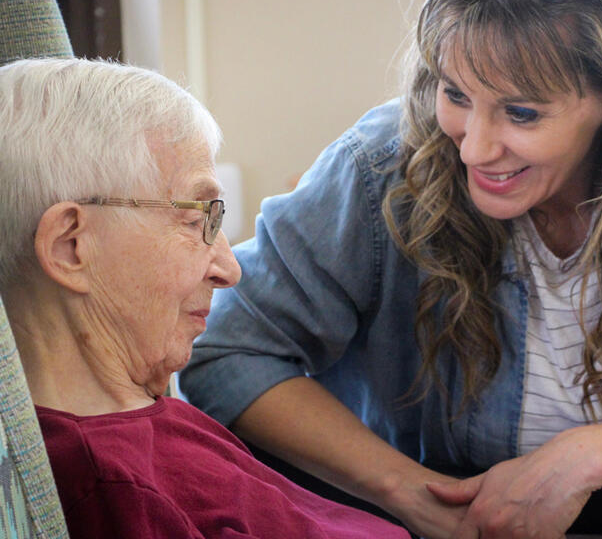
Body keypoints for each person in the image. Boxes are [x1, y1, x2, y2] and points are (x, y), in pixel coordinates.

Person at [180, 0, 602, 538]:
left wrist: (586, 457)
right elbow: (227, 351)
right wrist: (407, 493)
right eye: (456, 94)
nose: (474, 147)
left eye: (522, 113)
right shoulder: (379, 167)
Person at [0, 58, 410, 539]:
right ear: (72, 246)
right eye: (197, 221)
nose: (229, 270)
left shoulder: (148, 421)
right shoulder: (113, 487)